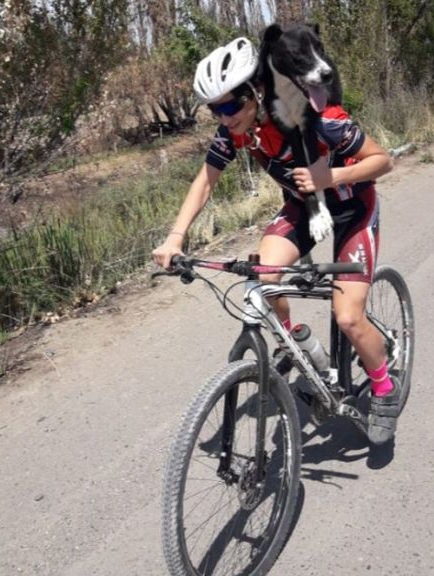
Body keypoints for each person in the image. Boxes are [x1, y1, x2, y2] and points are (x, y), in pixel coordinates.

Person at [151, 37, 398, 443]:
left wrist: (330, 177)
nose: (224, 117)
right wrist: (175, 238)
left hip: (352, 208)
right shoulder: (236, 132)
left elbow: (383, 160)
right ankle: (294, 345)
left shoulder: (319, 119)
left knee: (349, 317)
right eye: (215, 108)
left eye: (231, 106)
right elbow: (205, 183)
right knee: (263, 277)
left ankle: (384, 388)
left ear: (257, 92)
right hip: (303, 207)